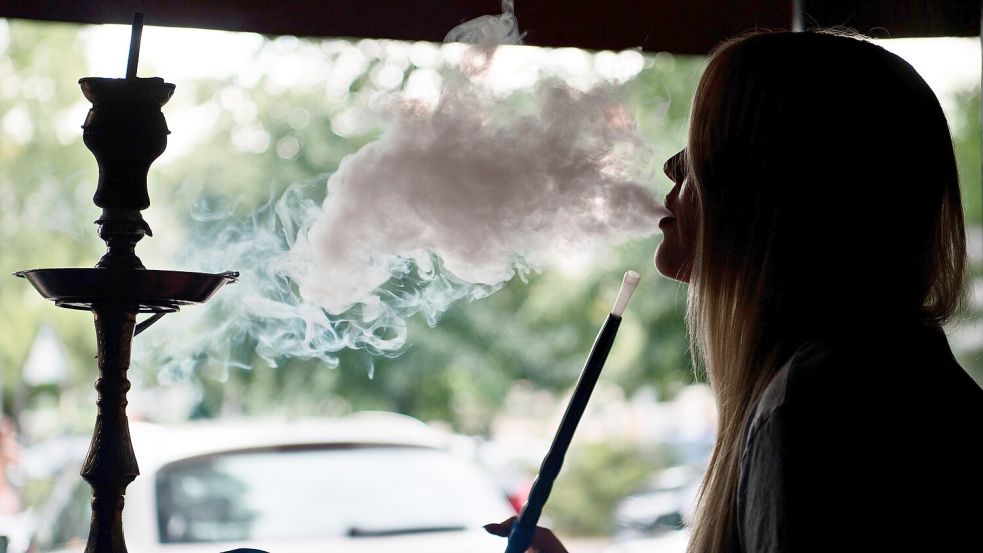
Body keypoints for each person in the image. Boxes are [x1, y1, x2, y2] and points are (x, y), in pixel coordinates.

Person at [486, 30, 983, 552]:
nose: (673, 167)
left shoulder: (820, 407)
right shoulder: (879, 372)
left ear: (778, 188)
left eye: (706, 145)